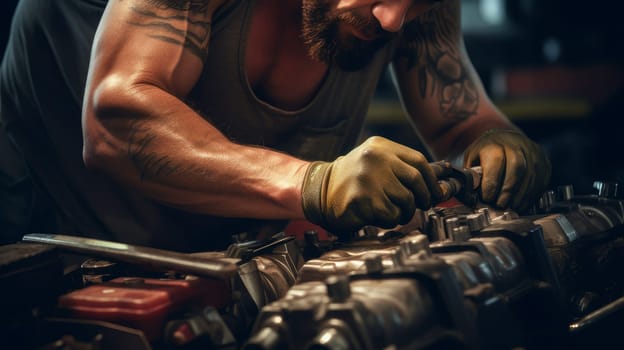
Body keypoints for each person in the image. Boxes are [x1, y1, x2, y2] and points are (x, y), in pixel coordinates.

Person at [0, 0, 550, 251]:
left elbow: (460, 124)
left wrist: (497, 142)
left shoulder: (407, 9)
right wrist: (313, 184)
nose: (393, 21)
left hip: (215, 253)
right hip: (48, 232)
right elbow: (114, 127)